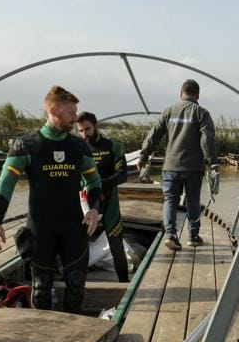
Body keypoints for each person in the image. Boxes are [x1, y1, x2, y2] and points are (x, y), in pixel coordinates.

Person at [0, 85, 101, 313]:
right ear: (54, 111)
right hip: (41, 227)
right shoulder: (26, 146)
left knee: (76, 284)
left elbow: (94, 182)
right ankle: (44, 333)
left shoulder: (79, 147)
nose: (75, 117)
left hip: (73, 225)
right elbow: (5, 184)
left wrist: (93, 210)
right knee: (40, 287)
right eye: (71, 112)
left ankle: (72, 331)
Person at [136, 79, 218, 251]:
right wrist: (212, 163)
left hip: (170, 167)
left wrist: (143, 155)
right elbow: (207, 139)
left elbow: (154, 135)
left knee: (170, 200)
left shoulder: (168, 111)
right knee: (193, 202)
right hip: (193, 168)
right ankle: (193, 237)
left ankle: (171, 235)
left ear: (181, 93)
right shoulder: (202, 113)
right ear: (197, 95)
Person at [76, 111, 129, 282]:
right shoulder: (78, 149)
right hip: (86, 203)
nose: (85, 134)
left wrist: (98, 183)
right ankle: (77, 285)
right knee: (79, 246)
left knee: (116, 246)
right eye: (81, 131)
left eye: (88, 129)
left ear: (96, 126)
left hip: (109, 204)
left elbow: (122, 175)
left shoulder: (114, 147)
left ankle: (124, 284)